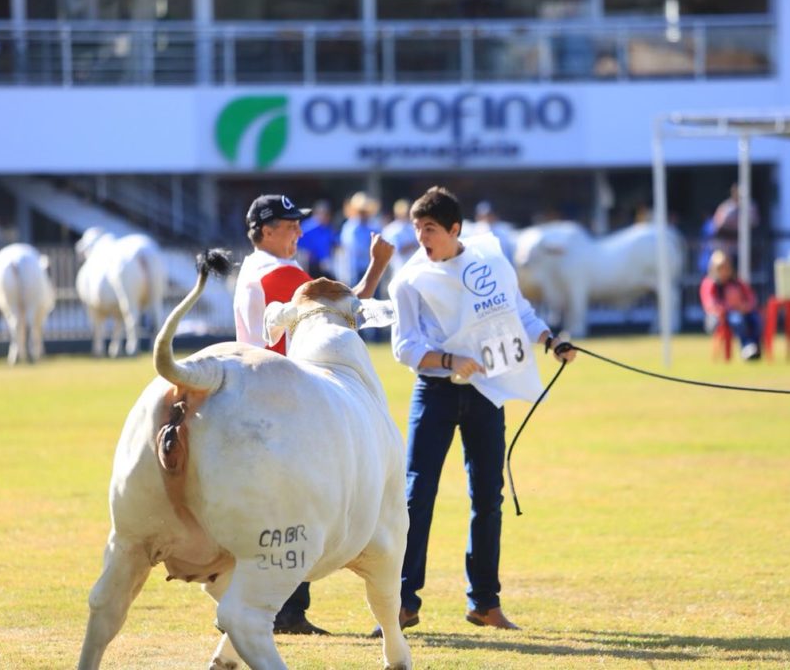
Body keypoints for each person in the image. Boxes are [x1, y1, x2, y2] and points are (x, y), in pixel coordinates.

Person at [375, 186, 576, 637]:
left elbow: (517, 311)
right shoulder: (408, 280)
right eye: (416, 229)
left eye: (429, 229)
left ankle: (484, 603)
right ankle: (403, 605)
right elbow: (405, 347)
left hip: (487, 392)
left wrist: (550, 340)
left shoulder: (489, 257)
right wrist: (448, 362)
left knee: (488, 498)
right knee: (416, 496)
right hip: (436, 392)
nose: (421, 238)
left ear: (454, 229)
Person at [232, 193, 394, 634]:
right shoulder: (283, 275)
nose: (299, 231)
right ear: (266, 231)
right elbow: (345, 310)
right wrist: (378, 266)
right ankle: (285, 610)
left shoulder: (252, 268)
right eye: (290, 225)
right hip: (287, 399)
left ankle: (279, 608)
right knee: (305, 504)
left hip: (258, 394)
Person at [700, 249, 762, 361]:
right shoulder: (710, 284)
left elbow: (751, 297)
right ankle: (746, 347)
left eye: (726, 267)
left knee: (756, 320)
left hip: (743, 312)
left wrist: (746, 306)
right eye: (720, 268)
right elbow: (710, 304)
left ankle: (755, 348)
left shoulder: (737, 282)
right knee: (737, 320)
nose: (724, 271)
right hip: (721, 317)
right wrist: (729, 307)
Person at [338, 191, 383, 287]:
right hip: (356, 270)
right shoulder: (350, 227)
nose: (364, 214)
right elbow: (354, 248)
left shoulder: (373, 226)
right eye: (361, 211)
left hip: (372, 268)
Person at [710, 183, 759, 259]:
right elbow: (716, 224)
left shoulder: (750, 206)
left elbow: (755, 222)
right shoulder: (726, 207)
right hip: (727, 246)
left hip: (744, 246)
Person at [297, 199, 338, 279]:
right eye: (323, 214)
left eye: (327, 214)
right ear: (316, 213)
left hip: (326, 266)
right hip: (310, 266)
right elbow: (300, 250)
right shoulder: (307, 228)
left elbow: (335, 243)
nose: (325, 217)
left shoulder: (328, 228)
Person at [381, 198, 419, 276]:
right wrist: (414, 244)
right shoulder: (391, 230)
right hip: (400, 269)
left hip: (415, 269)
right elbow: (396, 249)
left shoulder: (413, 227)